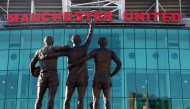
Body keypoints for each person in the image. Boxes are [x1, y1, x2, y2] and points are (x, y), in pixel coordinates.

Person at [39, 19, 94, 109]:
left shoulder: (69, 51)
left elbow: (56, 54)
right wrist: (92, 26)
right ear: (80, 41)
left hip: (71, 77)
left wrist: (44, 56)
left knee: (67, 99)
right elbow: (89, 38)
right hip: (82, 77)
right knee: (81, 99)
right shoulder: (84, 48)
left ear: (72, 41)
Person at [68, 37, 122, 109]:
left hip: (97, 78)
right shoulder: (110, 52)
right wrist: (112, 74)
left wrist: (74, 63)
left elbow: (84, 58)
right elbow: (119, 64)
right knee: (107, 100)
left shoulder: (95, 51)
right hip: (107, 78)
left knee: (95, 100)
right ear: (106, 43)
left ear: (98, 43)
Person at [29, 36, 70, 109]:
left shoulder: (39, 51)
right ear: (52, 42)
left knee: (39, 98)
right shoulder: (54, 48)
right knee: (51, 98)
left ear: (45, 42)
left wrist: (33, 73)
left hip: (42, 75)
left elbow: (32, 63)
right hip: (53, 74)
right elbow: (67, 47)